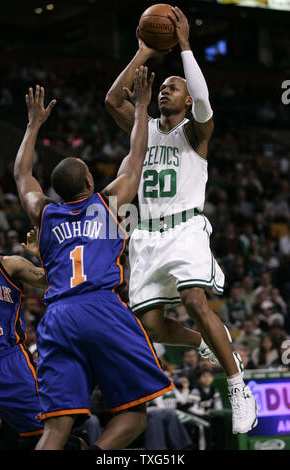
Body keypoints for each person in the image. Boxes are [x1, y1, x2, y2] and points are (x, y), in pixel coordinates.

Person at [105, 6, 256, 434]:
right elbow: (112, 100)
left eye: (175, 87)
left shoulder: (195, 132)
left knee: (193, 300)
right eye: (164, 87)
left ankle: (237, 385)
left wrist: (186, 45)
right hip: (146, 236)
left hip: (186, 227)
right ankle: (208, 342)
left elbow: (206, 101)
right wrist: (143, 52)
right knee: (151, 326)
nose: (166, 91)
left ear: (188, 99)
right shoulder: (144, 130)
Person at [13, 69, 174, 451]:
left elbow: (22, 174)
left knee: (57, 428)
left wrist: (33, 125)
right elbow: (137, 156)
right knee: (134, 415)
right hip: (101, 307)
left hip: (56, 318)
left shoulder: (44, 213)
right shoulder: (108, 205)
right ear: (89, 183)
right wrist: (140, 108)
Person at [0, 250, 46, 444]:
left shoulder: (6, 264)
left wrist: (41, 254)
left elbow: (54, 281)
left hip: (7, 358)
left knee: (45, 434)